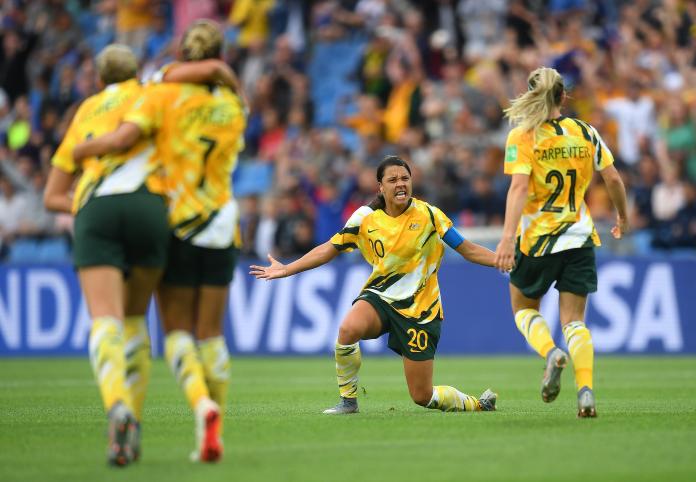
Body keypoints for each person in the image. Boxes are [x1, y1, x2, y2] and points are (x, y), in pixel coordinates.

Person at [44, 43, 242, 466]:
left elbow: (51, 196)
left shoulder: (85, 111)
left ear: (99, 80)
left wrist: (90, 200)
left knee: (106, 320)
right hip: (149, 207)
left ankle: (119, 409)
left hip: (97, 207)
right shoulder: (155, 93)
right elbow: (202, 77)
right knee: (137, 320)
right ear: (136, 72)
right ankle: (139, 416)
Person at [251, 156, 498, 415]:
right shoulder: (364, 218)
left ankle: (478, 404)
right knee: (348, 329)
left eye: (405, 178)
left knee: (422, 396)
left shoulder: (429, 215)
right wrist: (288, 269)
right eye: (393, 180)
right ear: (381, 187)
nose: (400, 184)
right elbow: (329, 249)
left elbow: (468, 249)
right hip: (380, 297)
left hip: (420, 310)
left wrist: (503, 260)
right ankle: (348, 401)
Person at [494, 67, 629, 418]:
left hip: (538, 240)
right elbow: (613, 178)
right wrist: (622, 216)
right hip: (579, 238)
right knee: (574, 321)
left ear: (531, 95)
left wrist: (507, 238)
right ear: (563, 96)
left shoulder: (523, 135)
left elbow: (519, 188)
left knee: (523, 309)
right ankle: (585, 392)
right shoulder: (585, 131)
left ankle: (551, 352)